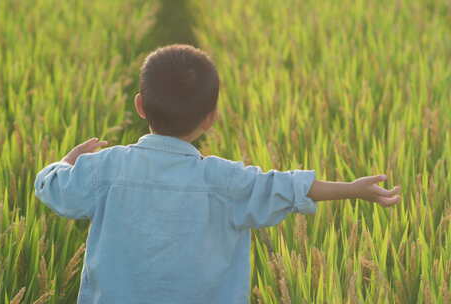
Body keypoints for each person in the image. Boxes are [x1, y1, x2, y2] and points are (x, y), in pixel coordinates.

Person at [34, 44, 401, 303]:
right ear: (211, 117)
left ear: (140, 106)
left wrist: (66, 162)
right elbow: (284, 187)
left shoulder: (105, 169)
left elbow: (52, 188)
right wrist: (352, 189)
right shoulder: (224, 181)